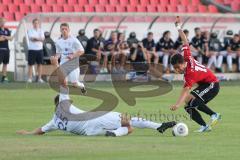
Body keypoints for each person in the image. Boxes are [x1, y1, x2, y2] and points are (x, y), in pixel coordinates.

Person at [16, 86, 176, 137]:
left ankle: (115, 133)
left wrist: (27, 133)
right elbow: (63, 83)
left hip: (90, 132)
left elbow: (41, 131)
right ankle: (158, 126)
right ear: (62, 101)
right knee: (128, 119)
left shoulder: (53, 121)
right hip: (96, 119)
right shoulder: (64, 104)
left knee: (129, 128)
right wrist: (57, 64)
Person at [169, 16, 221, 133]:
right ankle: (204, 126)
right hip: (204, 85)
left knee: (193, 103)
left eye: (178, 67)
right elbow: (185, 40)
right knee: (188, 106)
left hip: (212, 84)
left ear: (183, 63)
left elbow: (185, 90)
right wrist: (178, 27)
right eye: (175, 69)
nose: (177, 70)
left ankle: (215, 115)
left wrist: (177, 104)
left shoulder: (189, 73)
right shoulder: (186, 55)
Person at [50, 23, 86, 94]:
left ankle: (82, 86)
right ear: (60, 30)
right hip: (63, 63)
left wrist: (73, 56)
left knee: (74, 83)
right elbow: (59, 53)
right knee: (63, 82)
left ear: (69, 30)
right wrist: (55, 58)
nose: (64, 30)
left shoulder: (74, 40)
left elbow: (82, 51)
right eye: (62, 29)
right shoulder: (58, 41)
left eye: (65, 29)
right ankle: (64, 97)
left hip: (73, 64)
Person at [27, 18, 45, 83]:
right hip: (32, 49)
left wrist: (36, 38)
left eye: (37, 23)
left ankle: (39, 78)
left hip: (40, 49)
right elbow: (32, 39)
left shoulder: (41, 30)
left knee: (40, 64)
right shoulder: (30, 30)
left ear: (38, 24)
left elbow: (43, 39)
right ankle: (30, 78)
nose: (36, 24)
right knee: (30, 64)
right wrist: (39, 39)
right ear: (33, 24)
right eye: (35, 23)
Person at [0, 17, 13, 83]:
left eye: (4, 21)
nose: (3, 23)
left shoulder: (7, 30)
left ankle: (3, 78)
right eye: (2, 21)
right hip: (0, 49)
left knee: (5, 64)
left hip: (6, 49)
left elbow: (11, 38)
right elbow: (0, 39)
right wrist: (6, 37)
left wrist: (4, 37)